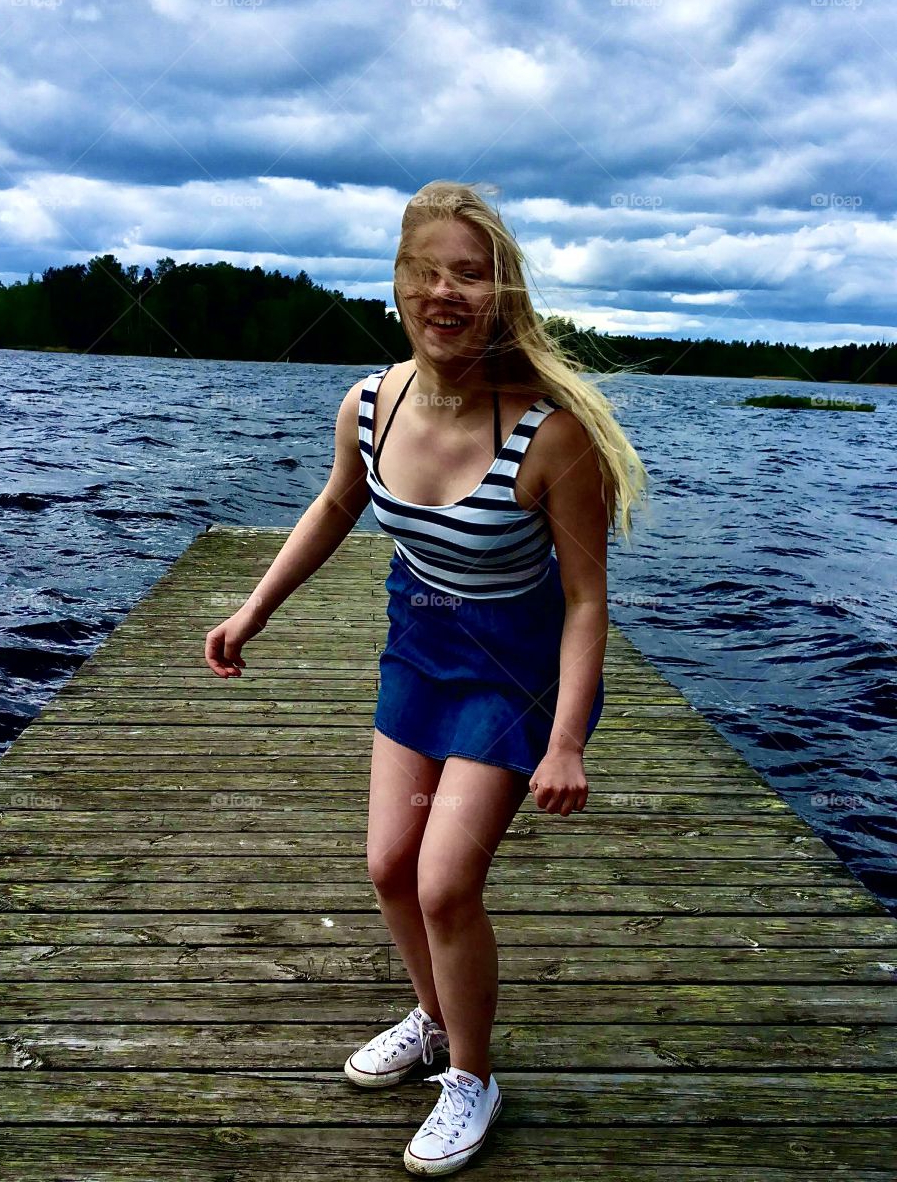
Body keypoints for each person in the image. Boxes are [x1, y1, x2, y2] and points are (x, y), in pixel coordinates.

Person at [204, 179, 649, 1176]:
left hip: (514, 673)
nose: (446, 291)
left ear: (504, 294)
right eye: (427, 271)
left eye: (471, 273)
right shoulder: (369, 401)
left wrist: (567, 738)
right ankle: (436, 1011)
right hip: (419, 649)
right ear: (399, 284)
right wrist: (251, 610)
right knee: (387, 864)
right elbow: (332, 508)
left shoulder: (551, 434)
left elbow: (585, 600)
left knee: (446, 880)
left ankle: (472, 1075)